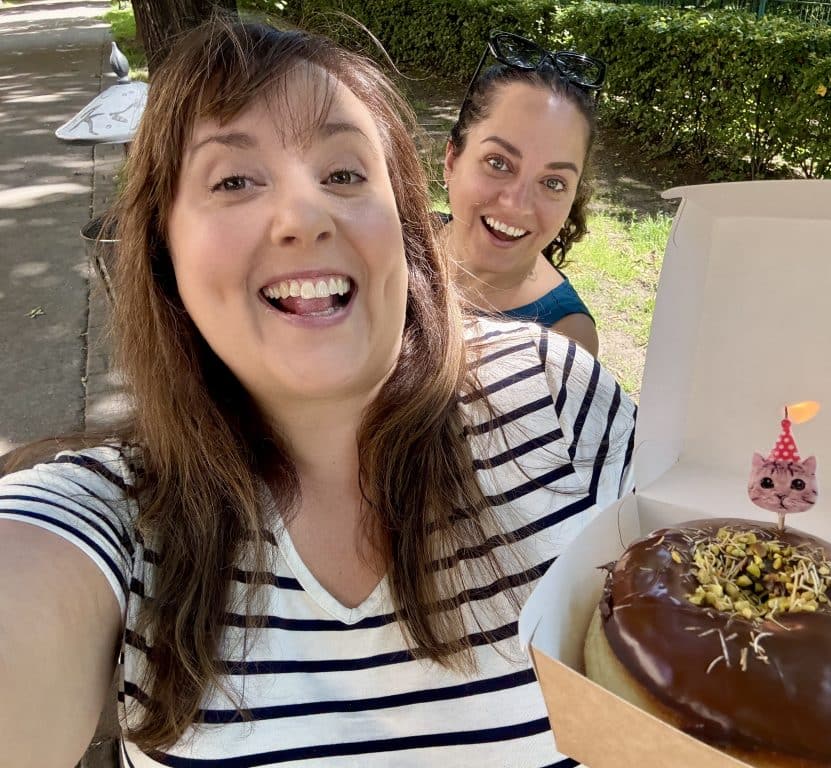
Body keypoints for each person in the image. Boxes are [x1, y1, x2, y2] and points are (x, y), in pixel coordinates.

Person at [0, 19, 635, 768]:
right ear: (163, 246)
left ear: (401, 221)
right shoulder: (113, 516)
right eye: (234, 181)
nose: (304, 217)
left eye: (342, 174)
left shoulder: (556, 391)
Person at [441, 32, 605, 357]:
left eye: (553, 183)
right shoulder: (398, 243)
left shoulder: (566, 339)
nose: (517, 205)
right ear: (452, 161)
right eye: (498, 163)